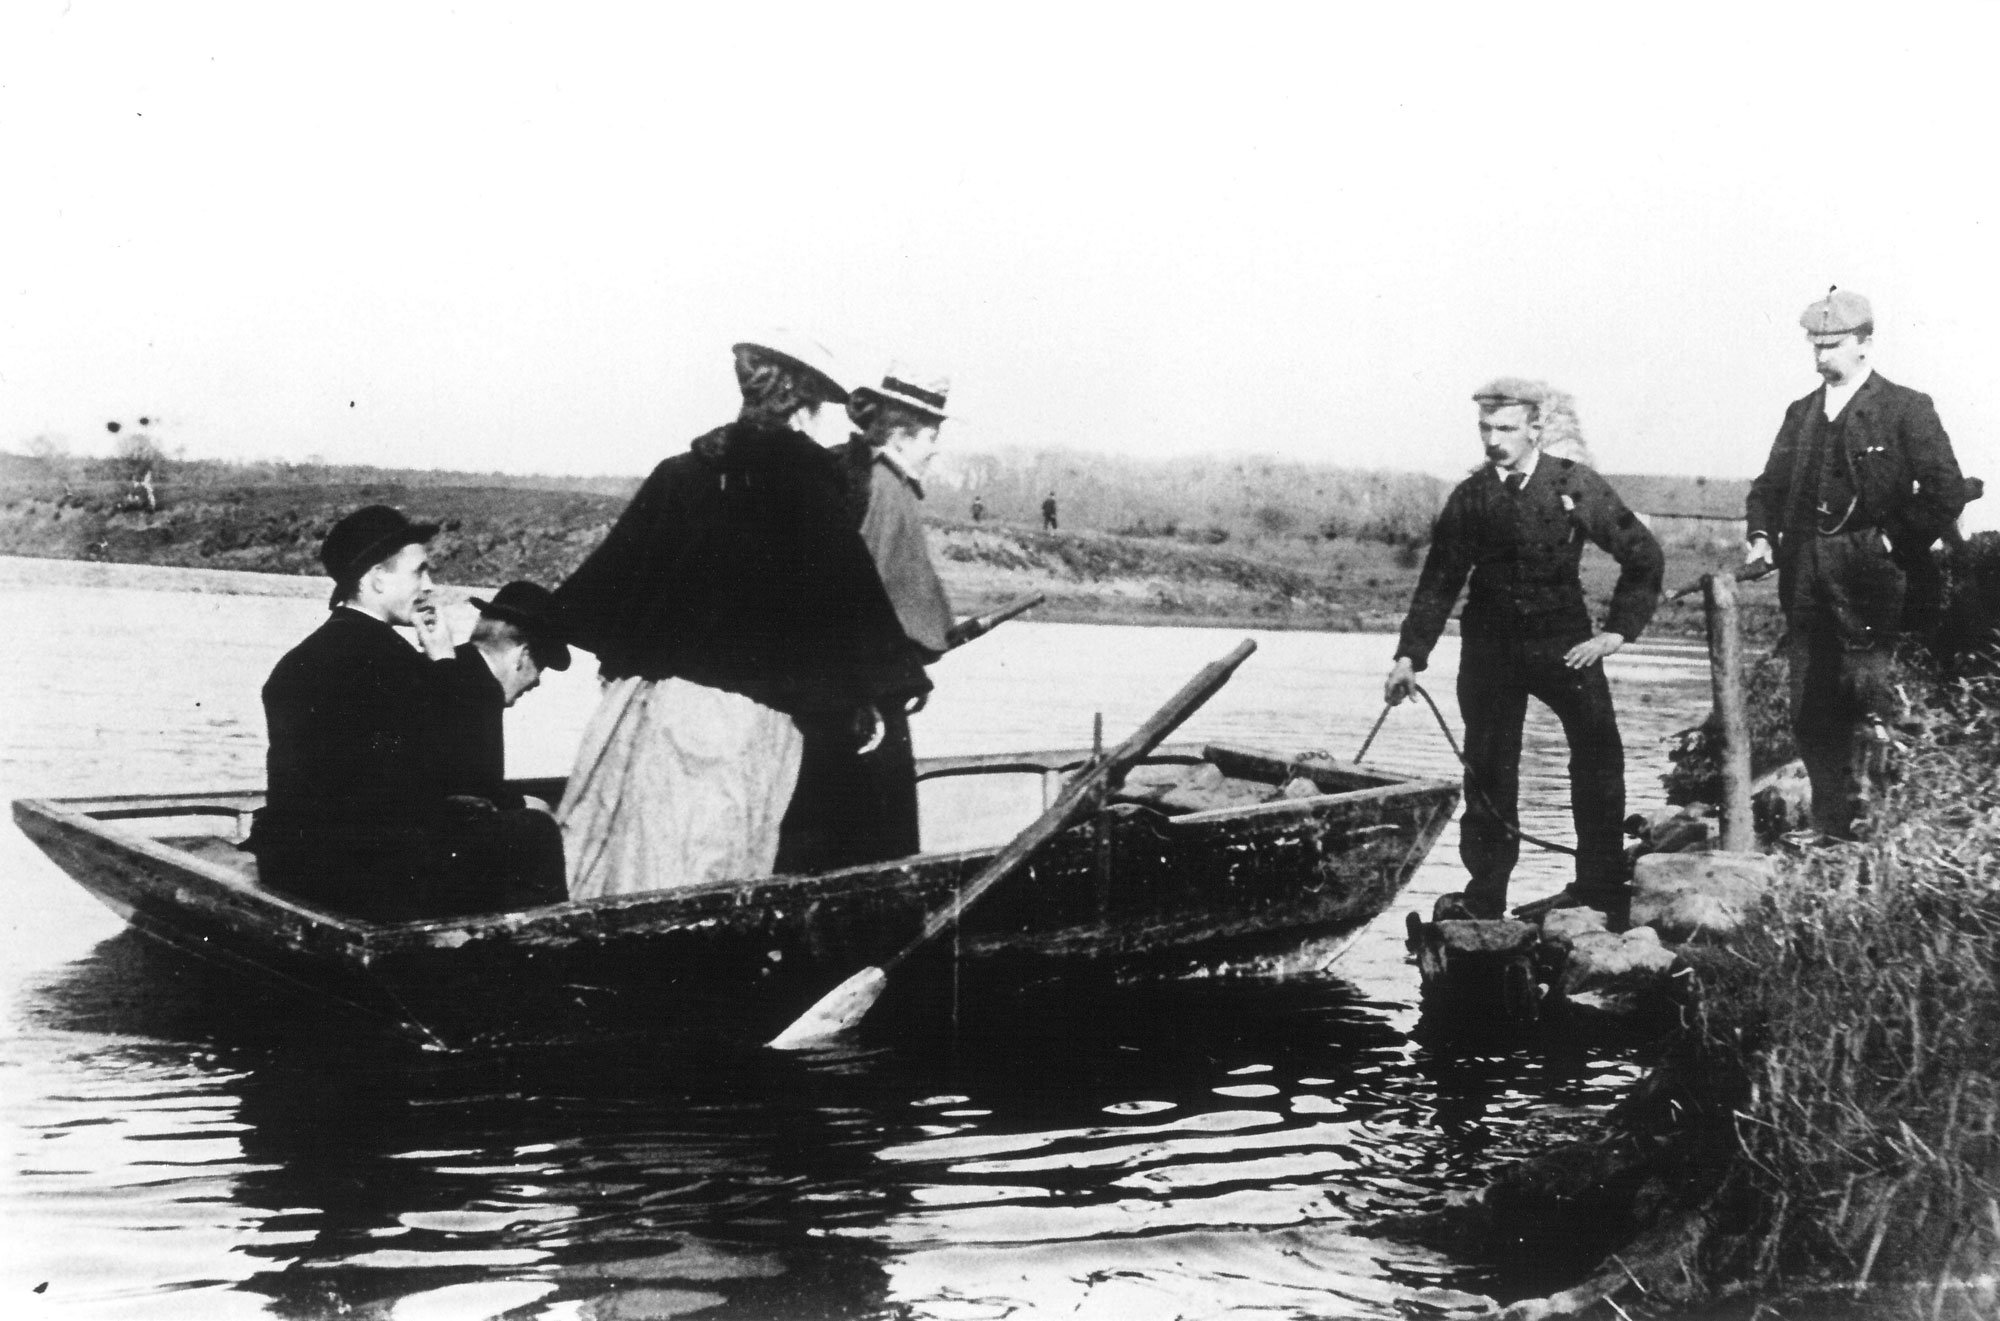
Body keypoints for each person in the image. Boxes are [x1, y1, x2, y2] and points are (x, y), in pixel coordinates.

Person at [552, 333, 909, 897]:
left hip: (646, 711)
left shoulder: (682, 472)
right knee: (708, 869)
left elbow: (603, 586)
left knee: (625, 860)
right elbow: (848, 603)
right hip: (740, 726)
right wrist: (888, 682)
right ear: (802, 398)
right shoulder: (808, 487)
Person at [1385, 379, 1663, 918]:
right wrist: (1408, 658)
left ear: (1536, 429)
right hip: (1489, 652)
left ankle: (1599, 888)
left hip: (1566, 648)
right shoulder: (1470, 497)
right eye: (1485, 428)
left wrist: (1616, 634)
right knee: (1488, 769)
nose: (1493, 440)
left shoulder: (1574, 484)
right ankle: (1484, 896)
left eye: (1506, 428)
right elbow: (1439, 581)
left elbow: (1643, 556)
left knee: (1599, 757)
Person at [247, 505, 568, 922]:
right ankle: (539, 966)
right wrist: (442, 661)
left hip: (291, 862)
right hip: (362, 875)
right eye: (419, 572)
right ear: (378, 579)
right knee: (533, 832)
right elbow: (464, 779)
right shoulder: (395, 663)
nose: (430, 586)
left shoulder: (301, 658)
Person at [1744, 288, 1967, 838]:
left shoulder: (1906, 408)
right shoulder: (1801, 414)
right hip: (1805, 582)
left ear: (1865, 343)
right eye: (1814, 346)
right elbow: (1767, 489)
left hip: (1874, 584)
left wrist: (1892, 542)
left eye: (1834, 346)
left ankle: (1886, 832)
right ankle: (1830, 827)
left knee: (1874, 703)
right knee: (1810, 709)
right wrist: (1761, 536)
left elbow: (1946, 492)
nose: (1822, 358)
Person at [777, 365, 955, 872]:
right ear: (900, 434)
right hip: (870, 698)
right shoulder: (889, 490)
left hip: (833, 690)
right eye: (930, 435)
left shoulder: (851, 475)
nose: (935, 448)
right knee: (876, 841)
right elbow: (877, 599)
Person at [438, 580, 572, 811]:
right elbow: (479, 795)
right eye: (541, 665)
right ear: (524, 653)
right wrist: (530, 806)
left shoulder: (451, 666)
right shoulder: (482, 691)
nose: (537, 681)